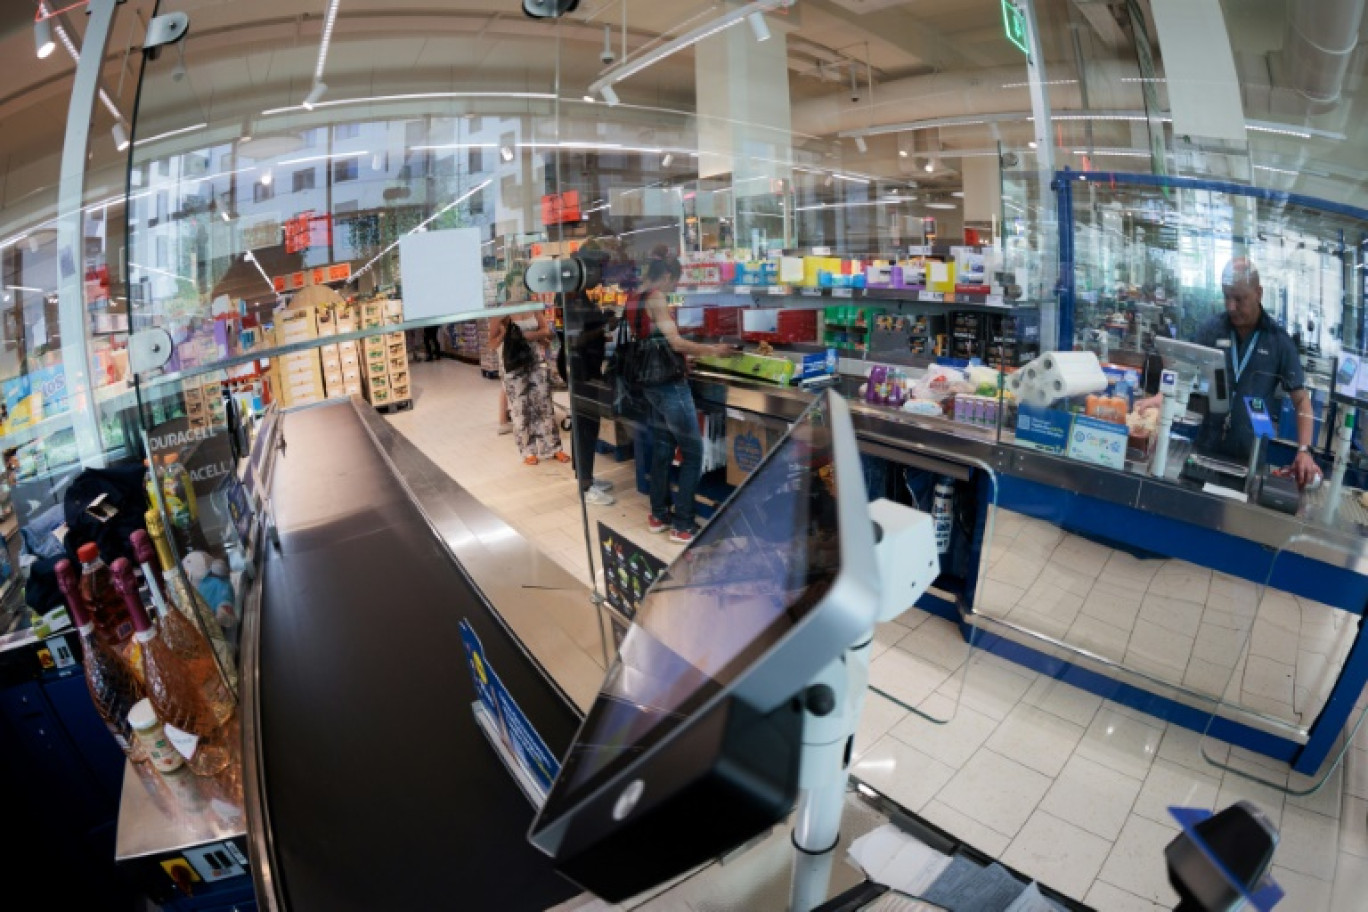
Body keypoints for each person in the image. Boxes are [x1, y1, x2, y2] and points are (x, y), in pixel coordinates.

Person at [1137, 257, 1319, 488]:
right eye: (1226, 297)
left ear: (1258, 293)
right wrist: (1161, 398)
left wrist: (1304, 450)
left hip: (1249, 458)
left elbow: (1302, 400)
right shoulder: (1212, 330)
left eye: (1239, 299)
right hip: (1205, 450)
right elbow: (1184, 373)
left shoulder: (1278, 342)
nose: (1231, 306)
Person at [633, 249, 735, 543]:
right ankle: (683, 525)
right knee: (692, 454)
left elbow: (650, 340)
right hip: (668, 385)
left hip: (648, 382)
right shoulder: (655, 297)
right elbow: (676, 342)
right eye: (674, 282)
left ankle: (658, 515)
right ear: (666, 275)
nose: (673, 288)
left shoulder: (635, 296)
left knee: (663, 449)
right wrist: (714, 351)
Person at [562, 248, 616, 506]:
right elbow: (576, 339)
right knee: (585, 425)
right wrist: (603, 327)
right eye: (596, 271)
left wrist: (601, 325)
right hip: (581, 369)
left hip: (586, 365)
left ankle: (587, 477)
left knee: (587, 424)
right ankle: (586, 485)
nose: (600, 277)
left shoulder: (579, 296)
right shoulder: (573, 300)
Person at [488, 308, 571, 466]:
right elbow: (491, 343)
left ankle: (553, 447)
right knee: (520, 409)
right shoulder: (499, 312)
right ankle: (528, 451)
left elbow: (546, 330)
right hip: (513, 365)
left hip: (536, 362)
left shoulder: (533, 307)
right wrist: (505, 335)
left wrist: (526, 335)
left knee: (545, 405)